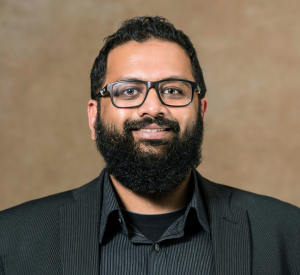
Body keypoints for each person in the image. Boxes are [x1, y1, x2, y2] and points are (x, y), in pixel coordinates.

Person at [0, 16, 300, 275]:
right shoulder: (10, 239)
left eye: (173, 90)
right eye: (129, 91)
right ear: (94, 117)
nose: (153, 108)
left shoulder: (287, 233)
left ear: (202, 110)